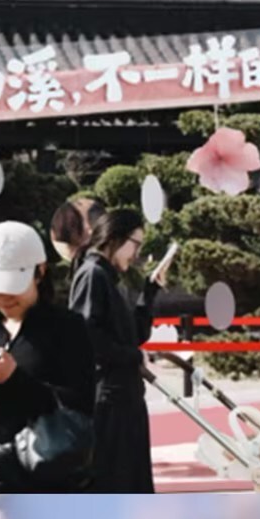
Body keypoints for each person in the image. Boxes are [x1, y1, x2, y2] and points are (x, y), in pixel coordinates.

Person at [0, 221, 94, 493]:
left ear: (40, 273)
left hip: (42, 472)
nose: (2, 297)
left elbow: (80, 405)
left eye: (11, 287)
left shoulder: (67, 327)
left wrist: (14, 379)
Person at [72, 209, 168, 493]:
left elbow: (134, 335)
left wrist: (150, 292)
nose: (136, 253)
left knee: (130, 480)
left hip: (124, 399)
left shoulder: (109, 279)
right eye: (135, 244)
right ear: (114, 238)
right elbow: (86, 339)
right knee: (115, 481)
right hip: (109, 402)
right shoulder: (92, 275)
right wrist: (134, 357)